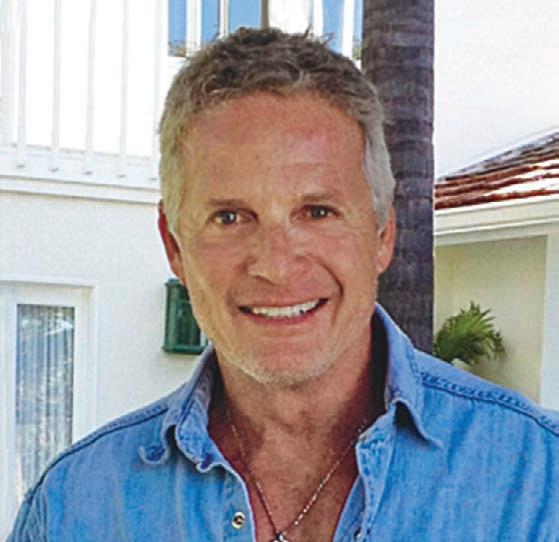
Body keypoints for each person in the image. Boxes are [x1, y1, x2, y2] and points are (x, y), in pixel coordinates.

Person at [9, 27, 559, 542]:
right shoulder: (75, 507)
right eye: (229, 217)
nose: (275, 265)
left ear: (383, 233)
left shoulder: (537, 481)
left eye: (317, 212)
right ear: (174, 244)